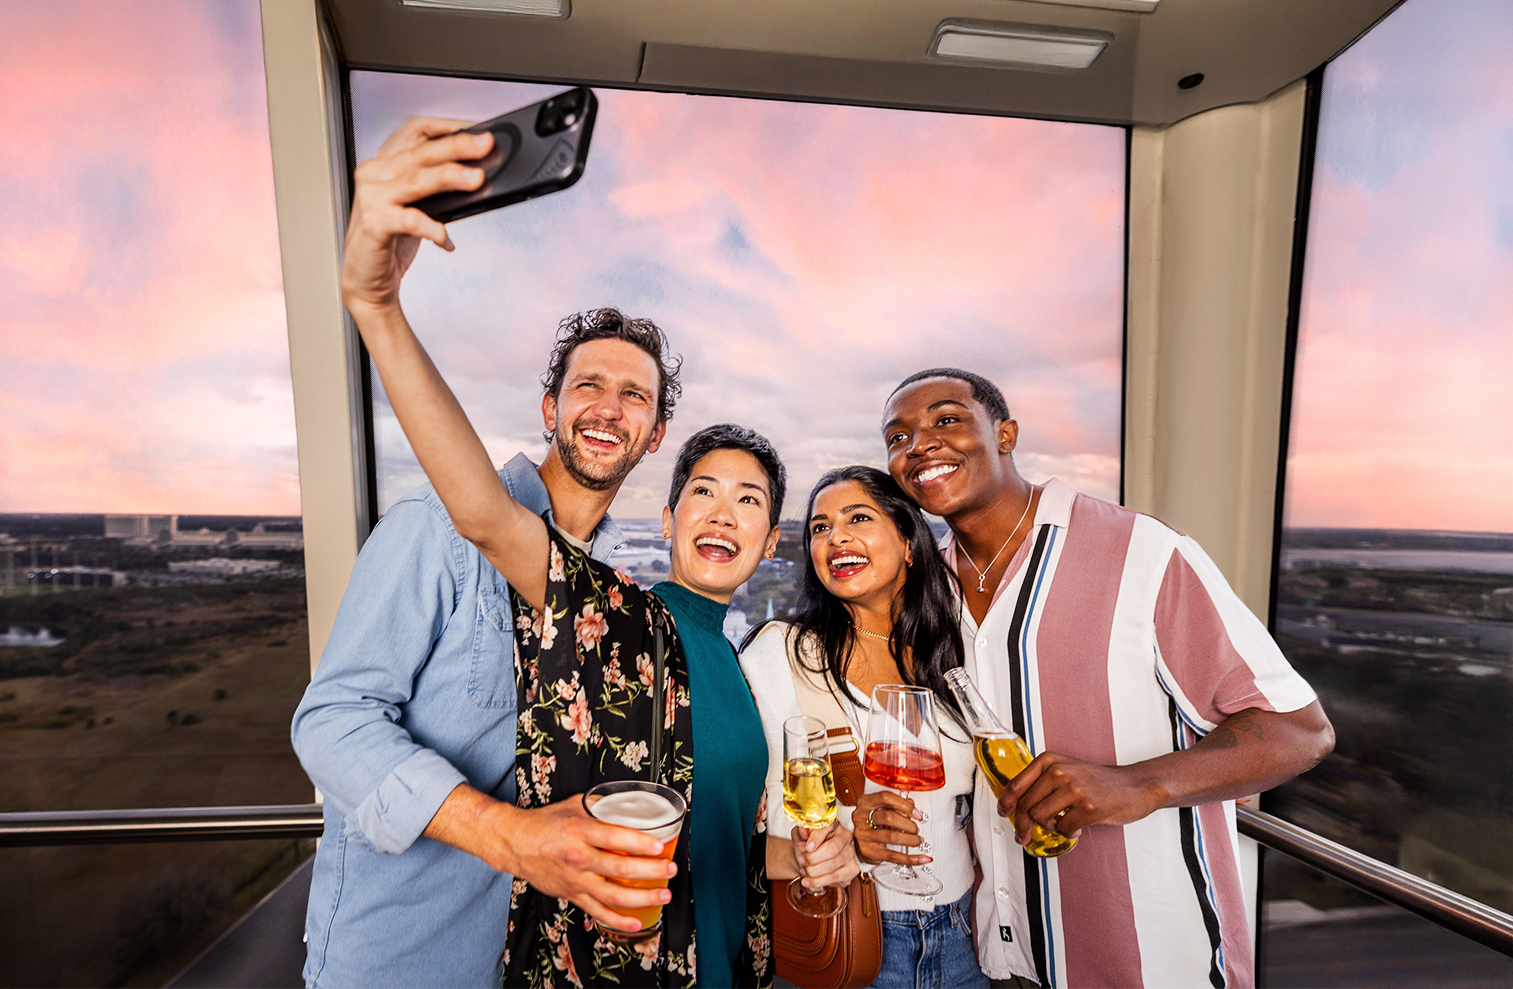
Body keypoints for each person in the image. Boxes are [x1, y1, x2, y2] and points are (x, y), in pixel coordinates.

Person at [297, 115, 853, 987]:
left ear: (654, 431)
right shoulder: (439, 527)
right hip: (413, 954)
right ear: (549, 410)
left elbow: (698, 827)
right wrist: (376, 305)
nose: (608, 403)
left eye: (634, 393)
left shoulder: (634, 618)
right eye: (587, 384)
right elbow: (331, 722)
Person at [880, 367, 1336, 989]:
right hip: (997, 958)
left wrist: (1138, 784)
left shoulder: (1143, 553)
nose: (920, 444)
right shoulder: (927, 587)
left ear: (1006, 433)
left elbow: (1299, 731)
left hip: (1151, 959)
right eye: (898, 437)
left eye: (947, 420)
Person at [741, 466, 991, 989]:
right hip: (858, 938)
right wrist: (850, 842)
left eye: (858, 517)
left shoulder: (956, 650)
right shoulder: (782, 654)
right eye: (819, 527)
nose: (836, 537)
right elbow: (737, 835)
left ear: (907, 542)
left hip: (966, 932)